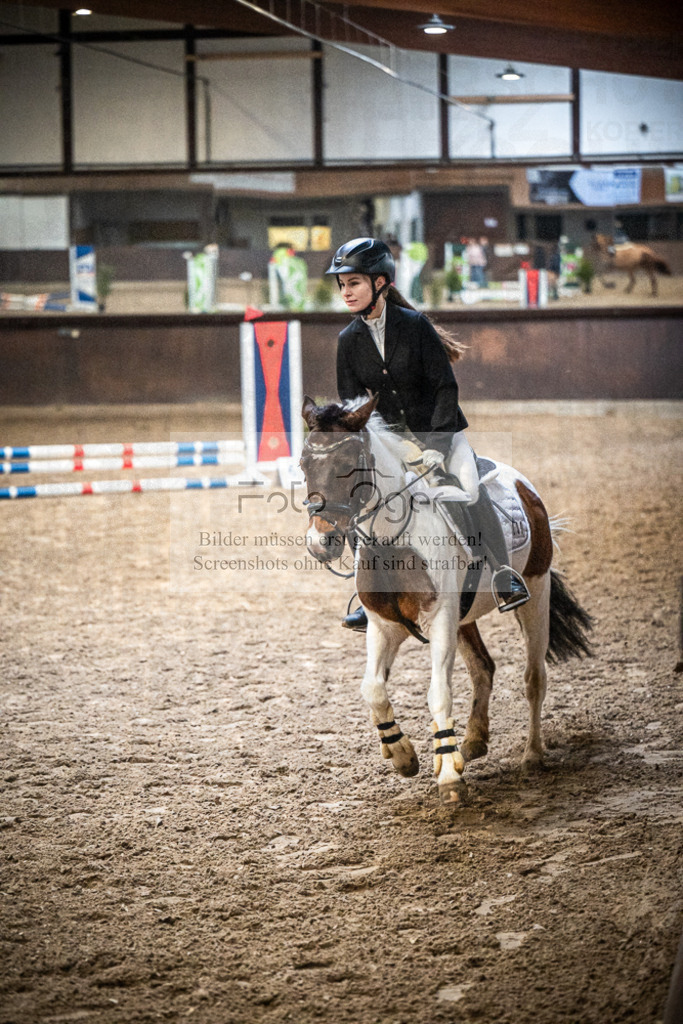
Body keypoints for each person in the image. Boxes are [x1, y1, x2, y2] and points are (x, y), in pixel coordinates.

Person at [325, 236, 530, 632]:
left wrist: (436, 446)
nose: (346, 291)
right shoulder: (347, 341)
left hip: (441, 433)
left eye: (354, 283)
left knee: (470, 488)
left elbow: (444, 388)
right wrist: (387, 444)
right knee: (359, 497)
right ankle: (364, 590)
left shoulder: (415, 327)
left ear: (380, 282)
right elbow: (352, 406)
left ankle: (504, 575)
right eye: (342, 284)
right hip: (389, 442)